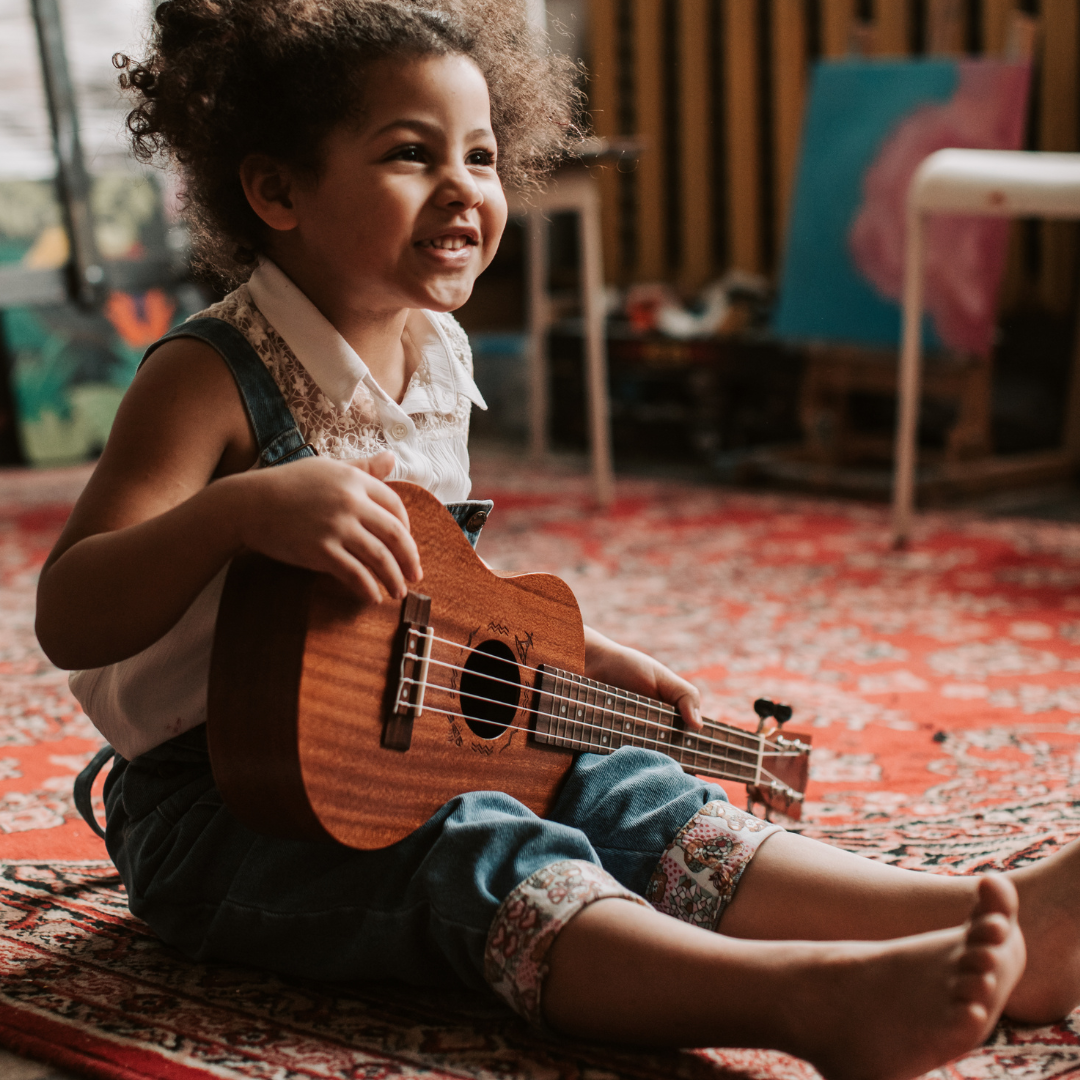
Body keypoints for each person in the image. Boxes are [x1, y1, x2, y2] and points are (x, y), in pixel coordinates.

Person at [31, 4, 1080, 1078]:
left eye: (480, 155)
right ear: (277, 190)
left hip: (398, 745)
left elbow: (427, 599)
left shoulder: (436, 354)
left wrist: (572, 658)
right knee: (482, 849)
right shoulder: (210, 375)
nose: (463, 187)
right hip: (228, 811)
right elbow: (69, 609)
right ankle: (807, 1000)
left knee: (623, 783)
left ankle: (968, 918)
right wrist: (238, 511)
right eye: (410, 153)